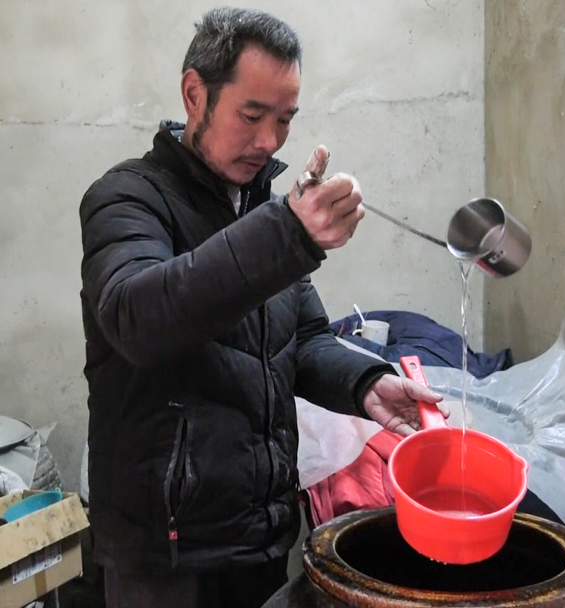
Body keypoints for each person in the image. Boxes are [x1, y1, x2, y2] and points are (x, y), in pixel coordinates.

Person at [78, 7, 443, 608]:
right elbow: (137, 320)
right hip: (165, 558)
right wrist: (287, 234)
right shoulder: (127, 199)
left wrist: (366, 384)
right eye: (252, 116)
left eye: (285, 119)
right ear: (195, 94)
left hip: (261, 540)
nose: (270, 141)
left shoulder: (263, 212)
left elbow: (305, 340)